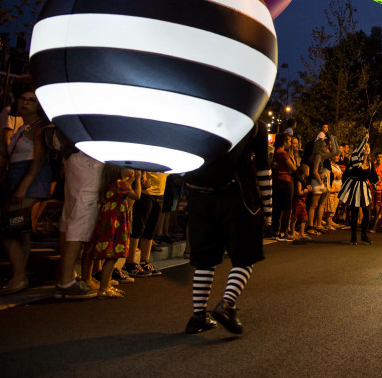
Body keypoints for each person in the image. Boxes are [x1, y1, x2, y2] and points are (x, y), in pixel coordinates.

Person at [183, 120, 271, 335]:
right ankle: (227, 304)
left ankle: (198, 316)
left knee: (204, 261)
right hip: (237, 196)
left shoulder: (203, 118)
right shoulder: (254, 124)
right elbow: (262, 168)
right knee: (245, 257)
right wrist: (268, 208)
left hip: (200, 196)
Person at [0, 79, 54, 295]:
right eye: (23, 99)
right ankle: (18, 275)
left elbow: (39, 158)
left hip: (29, 178)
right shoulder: (24, 126)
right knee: (21, 230)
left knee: (9, 228)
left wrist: (23, 185)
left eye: (31, 100)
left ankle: (19, 276)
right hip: (19, 176)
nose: (25, 103)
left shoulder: (38, 127)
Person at [54, 130, 104, 299]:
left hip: (73, 157)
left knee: (69, 216)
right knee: (81, 218)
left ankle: (65, 274)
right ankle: (66, 281)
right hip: (87, 159)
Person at [87, 165, 142, 298]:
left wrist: (130, 179)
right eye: (126, 166)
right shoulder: (120, 183)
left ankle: (107, 285)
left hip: (109, 223)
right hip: (115, 224)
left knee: (112, 256)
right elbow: (137, 196)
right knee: (112, 256)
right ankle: (104, 288)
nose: (131, 168)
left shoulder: (113, 183)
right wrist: (138, 180)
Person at [124, 171, 166, 278]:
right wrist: (142, 176)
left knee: (150, 229)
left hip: (160, 191)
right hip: (145, 191)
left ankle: (144, 261)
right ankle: (130, 262)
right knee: (138, 228)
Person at [339, 137, 377, 245]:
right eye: (364, 146)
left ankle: (364, 235)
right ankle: (353, 237)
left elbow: (373, 177)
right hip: (355, 188)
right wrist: (364, 140)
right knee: (354, 213)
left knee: (367, 213)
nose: (366, 148)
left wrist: (375, 182)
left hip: (364, 188)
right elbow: (352, 172)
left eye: (368, 146)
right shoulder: (354, 159)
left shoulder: (370, 162)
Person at [271, 133, 294, 241]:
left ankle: (275, 231)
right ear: (284, 142)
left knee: (277, 207)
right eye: (289, 141)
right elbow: (293, 168)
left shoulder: (274, 153)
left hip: (275, 181)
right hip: (285, 181)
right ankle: (282, 232)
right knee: (287, 208)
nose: (290, 143)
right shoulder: (284, 154)